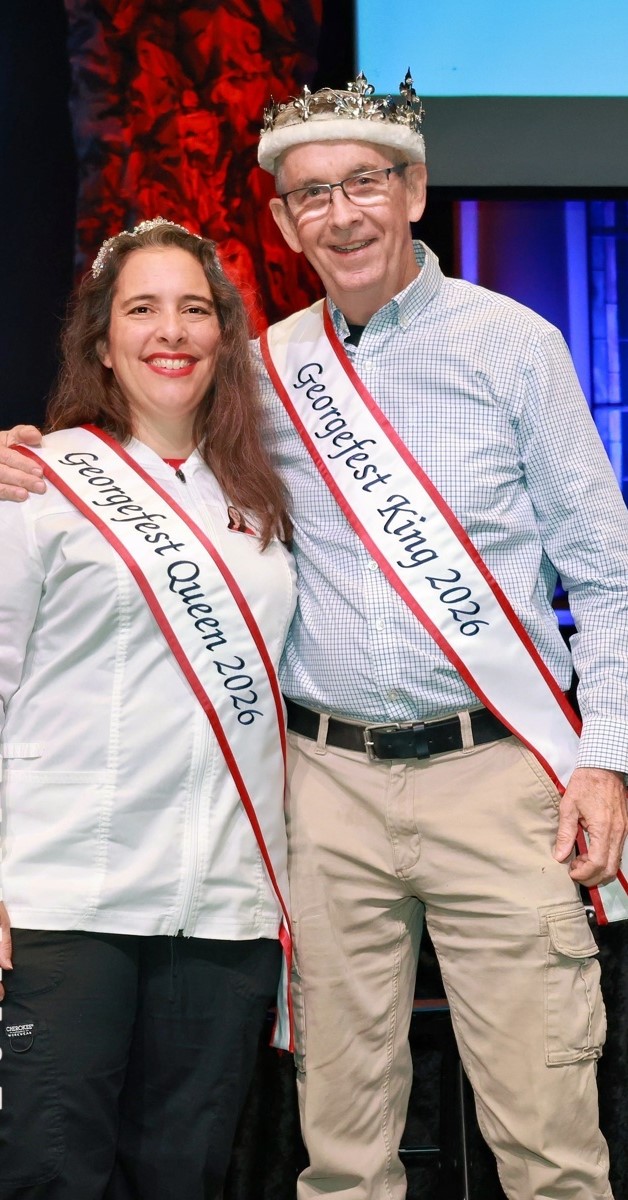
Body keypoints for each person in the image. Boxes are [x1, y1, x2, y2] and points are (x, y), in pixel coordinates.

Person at [2, 72, 628, 1200]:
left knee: (548, 1146)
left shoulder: (516, 345)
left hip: (495, 775)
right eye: (311, 196)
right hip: (323, 789)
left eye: (365, 184)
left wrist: (606, 758)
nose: (342, 215)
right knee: (340, 1151)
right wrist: (21, 459)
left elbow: (608, 570)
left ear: (415, 191)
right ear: (284, 224)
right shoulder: (262, 370)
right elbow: (146, 456)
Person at [0, 217, 296, 1200]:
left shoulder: (263, 503)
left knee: (185, 1177)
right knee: (52, 1173)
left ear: (224, 335)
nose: (171, 331)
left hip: (223, 910)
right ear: (101, 338)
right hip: (63, 899)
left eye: (194, 309)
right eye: (142, 309)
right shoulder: (35, 486)